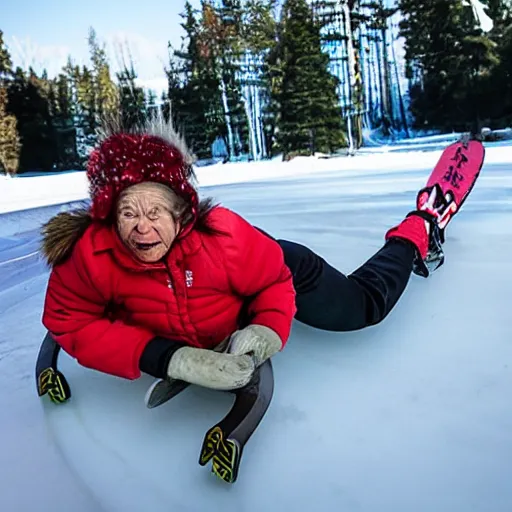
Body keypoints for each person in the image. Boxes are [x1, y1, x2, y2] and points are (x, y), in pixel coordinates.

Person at [40, 118, 482, 392]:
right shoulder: (90, 255)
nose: (141, 226)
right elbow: (69, 319)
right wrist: (164, 356)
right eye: (128, 213)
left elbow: (272, 281)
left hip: (275, 268)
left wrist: (268, 327)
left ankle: (415, 231)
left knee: (361, 308)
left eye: (155, 211)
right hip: (220, 287)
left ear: (181, 210)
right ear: (107, 218)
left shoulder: (224, 236)